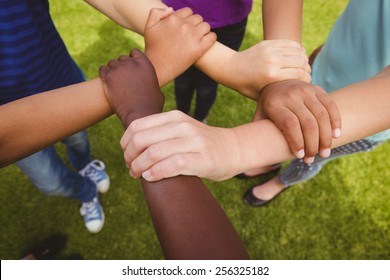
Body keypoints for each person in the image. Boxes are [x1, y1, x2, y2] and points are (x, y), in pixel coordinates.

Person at [243, 0, 390, 206]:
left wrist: (236, 148)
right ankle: (270, 163)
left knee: (309, 156)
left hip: (366, 117)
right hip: (324, 68)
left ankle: (281, 181)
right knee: (286, 128)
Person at [0, 0, 111, 233]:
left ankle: (85, 164)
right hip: (8, 117)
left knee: (78, 138)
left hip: (56, 78)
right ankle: (86, 191)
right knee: (49, 182)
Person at [162, 0, 252, 123]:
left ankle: (199, 119)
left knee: (207, 85)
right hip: (179, 11)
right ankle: (182, 115)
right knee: (182, 80)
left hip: (228, 17)